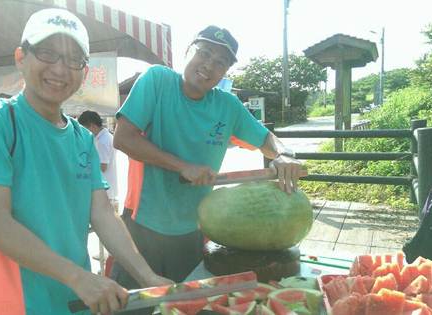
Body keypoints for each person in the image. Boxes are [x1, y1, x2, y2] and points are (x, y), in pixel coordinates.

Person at [0, 8, 170, 315]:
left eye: (73, 59)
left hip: (72, 299)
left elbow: (103, 214)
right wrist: (79, 277)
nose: (60, 68)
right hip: (11, 301)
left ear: (84, 70)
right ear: (20, 57)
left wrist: (147, 277)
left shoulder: (83, 138)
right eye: (47, 53)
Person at [111, 25, 304, 300]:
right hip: (141, 228)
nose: (209, 65)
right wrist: (182, 166)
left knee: (183, 306)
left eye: (220, 62)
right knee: (133, 306)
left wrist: (284, 154)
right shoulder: (157, 81)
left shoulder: (227, 106)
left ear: (225, 72)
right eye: (204, 53)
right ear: (189, 52)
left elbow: (267, 139)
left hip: (193, 231)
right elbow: (123, 139)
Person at [78, 110, 118, 209]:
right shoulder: (104, 137)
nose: (83, 132)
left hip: (104, 188)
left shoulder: (102, 141)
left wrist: (82, 166)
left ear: (92, 126)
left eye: (84, 129)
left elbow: (103, 166)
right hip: (107, 187)